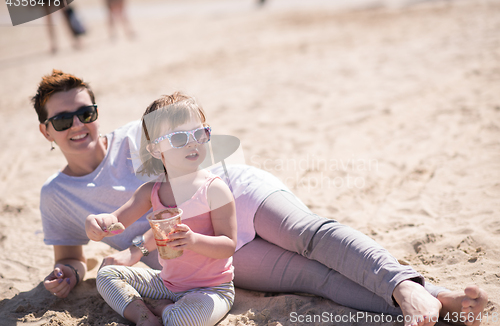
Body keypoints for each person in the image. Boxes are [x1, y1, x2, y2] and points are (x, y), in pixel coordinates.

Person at [34, 70, 488, 326]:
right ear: (45, 131)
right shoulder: (57, 195)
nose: (78, 124)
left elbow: (201, 142)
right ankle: (436, 303)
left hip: (235, 194)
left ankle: (410, 288)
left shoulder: (143, 130)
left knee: (311, 236)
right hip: (197, 254)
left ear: (97, 113)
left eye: (86, 111)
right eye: (63, 119)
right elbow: (73, 258)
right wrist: (67, 273)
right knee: (309, 278)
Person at [85, 93, 237, 326]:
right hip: (166, 283)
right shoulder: (151, 192)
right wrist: (97, 223)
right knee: (107, 275)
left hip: (212, 289)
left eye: (199, 133)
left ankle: (164, 310)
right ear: (156, 149)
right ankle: (143, 317)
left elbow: (228, 245)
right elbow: (116, 221)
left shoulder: (214, 189)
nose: (192, 142)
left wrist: (193, 240)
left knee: (181, 320)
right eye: (178, 138)